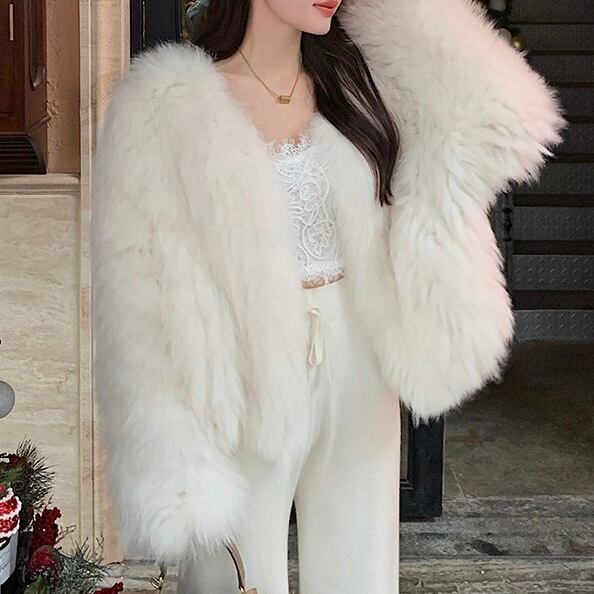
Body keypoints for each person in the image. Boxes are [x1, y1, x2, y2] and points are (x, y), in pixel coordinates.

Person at [90, 0, 567, 592]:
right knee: (236, 578)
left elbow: (502, 117)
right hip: (246, 373)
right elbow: (138, 295)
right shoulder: (164, 108)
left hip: (359, 358)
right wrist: (170, 454)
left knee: (359, 574)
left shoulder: (363, 83)